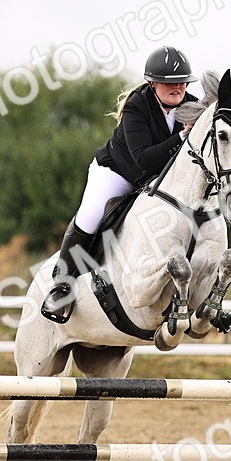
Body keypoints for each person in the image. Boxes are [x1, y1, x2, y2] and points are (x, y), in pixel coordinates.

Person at [41, 46, 199, 323]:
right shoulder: (137, 106)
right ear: (153, 84)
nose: (177, 88)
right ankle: (61, 285)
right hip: (118, 172)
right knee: (91, 215)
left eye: (182, 82)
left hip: (157, 180)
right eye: (169, 82)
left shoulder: (192, 106)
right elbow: (144, 160)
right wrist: (182, 137)